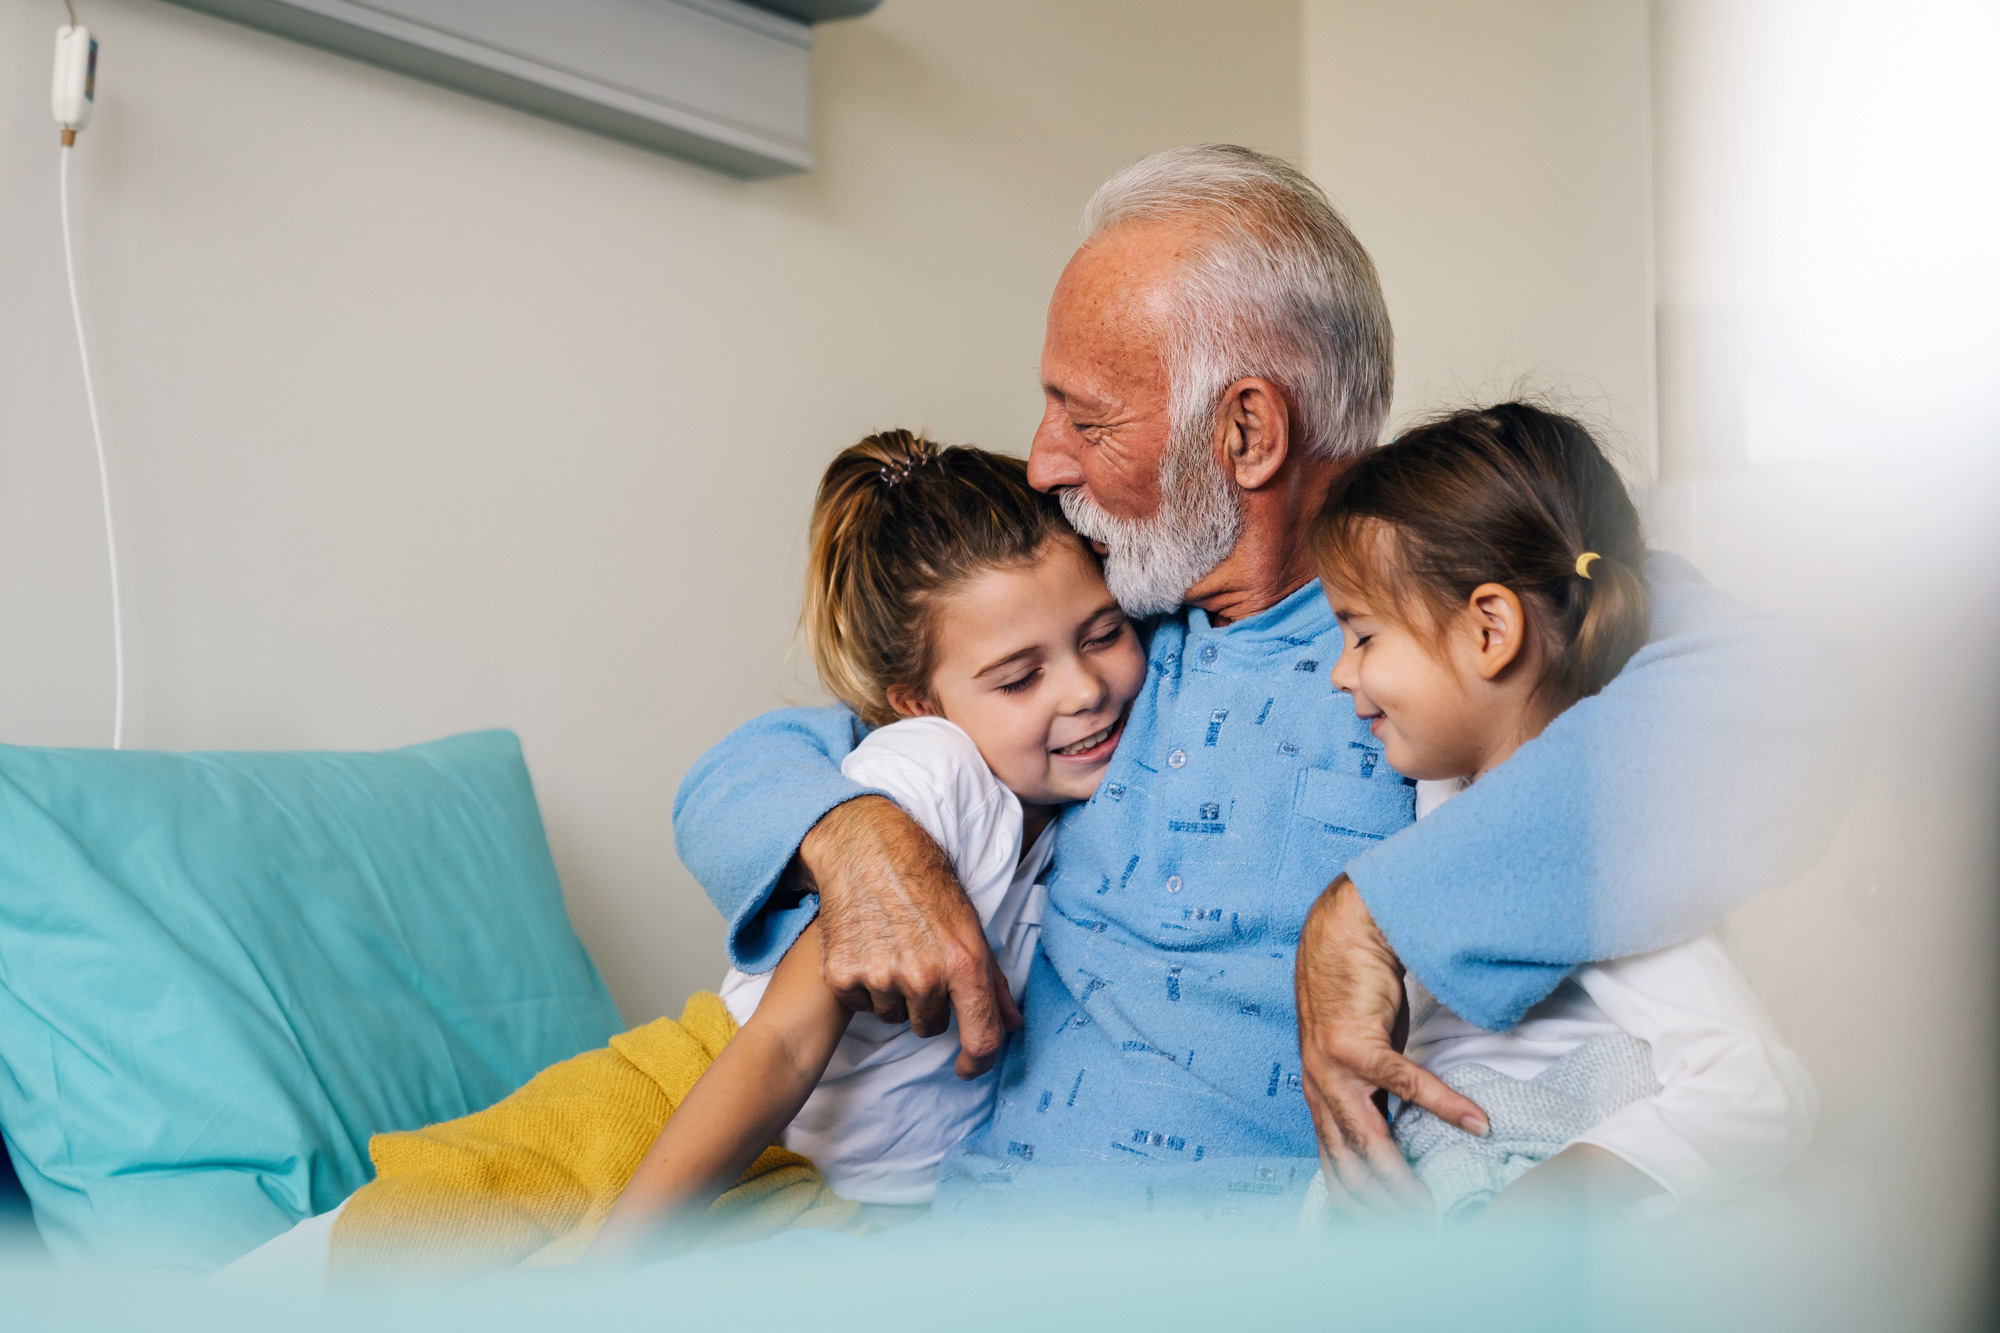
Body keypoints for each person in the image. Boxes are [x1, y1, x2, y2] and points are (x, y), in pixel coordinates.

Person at [673, 145, 1842, 1218]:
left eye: (1084, 416)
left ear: (1244, 433)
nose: (1040, 460)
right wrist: (851, 832)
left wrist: (1377, 910)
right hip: (977, 1237)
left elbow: (1789, 704)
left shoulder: (1459, 633)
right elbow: (754, 766)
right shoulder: (1106, 629)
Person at [593, 431, 1148, 1255]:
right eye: (1019, 677)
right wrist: (614, 1267)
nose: (1086, 688)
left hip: (869, 1197)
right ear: (918, 704)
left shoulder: (1070, 788)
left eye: (1102, 634)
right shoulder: (932, 771)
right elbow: (783, 1043)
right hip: (712, 1122)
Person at [1299, 402, 1815, 1225]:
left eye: (1362, 636)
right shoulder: (1445, 802)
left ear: (1490, 630)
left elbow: (1755, 1091)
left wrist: (1537, 1217)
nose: (1339, 672)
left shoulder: (1610, 859)